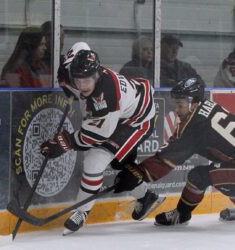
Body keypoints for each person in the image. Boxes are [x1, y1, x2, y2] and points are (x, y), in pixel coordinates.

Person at [114, 77, 235, 225]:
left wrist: (137, 173)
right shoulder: (205, 106)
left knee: (198, 177)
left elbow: (166, 159)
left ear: (193, 103)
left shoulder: (194, 127)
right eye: (175, 104)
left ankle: (181, 214)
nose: (176, 110)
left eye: (180, 105)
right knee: (223, 181)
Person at [40, 44, 165, 235]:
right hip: (124, 107)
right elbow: (81, 46)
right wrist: (65, 82)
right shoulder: (73, 69)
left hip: (136, 120)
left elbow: (95, 135)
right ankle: (146, 197)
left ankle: (81, 212)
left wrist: (62, 144)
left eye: (88, 80)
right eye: (78, 81)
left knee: (94, 161)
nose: (83, 86)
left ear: (97, 74)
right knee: (118, 164)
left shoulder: (106, 96)